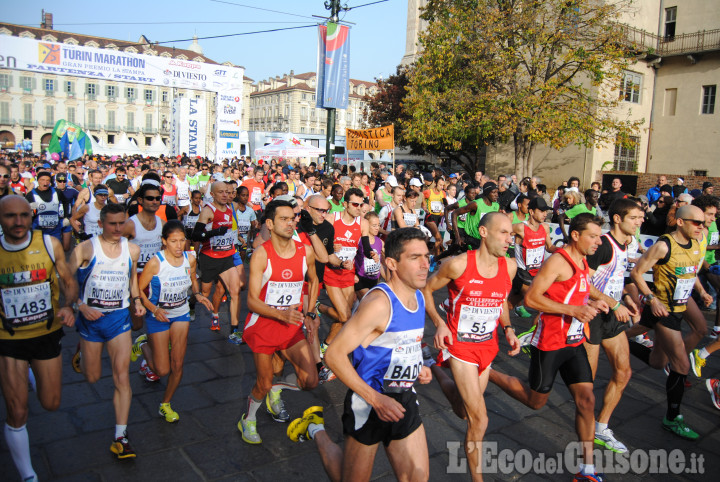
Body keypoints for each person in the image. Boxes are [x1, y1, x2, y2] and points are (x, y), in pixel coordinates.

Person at [286, 228, 432, 482]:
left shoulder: (418, 297)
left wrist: (416, 364)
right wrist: (376, 399)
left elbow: (402, 342)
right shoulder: (379, 303)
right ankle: (316, 428)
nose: (424, 265)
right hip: (368, 403)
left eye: (427, 257)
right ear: (392, 263)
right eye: (415, 258)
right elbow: (334, 355)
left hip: (403, 399)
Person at [489, 213, 611, 482]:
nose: (598, 241)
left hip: (574, 341)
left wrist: (597, 303)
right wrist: (574, 310)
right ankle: (487, 373)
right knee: (535, 402)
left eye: (599, 235)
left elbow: (580, 288)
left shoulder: (582, 260)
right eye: (593, 235)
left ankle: (587, 469)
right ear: (576, 235)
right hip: (551, 343)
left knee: (587, 401)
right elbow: (532, 298)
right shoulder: (558, 261)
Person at [422, 213, 520, 480]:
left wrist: (508, 328)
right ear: (484, 232)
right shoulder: (459, 265)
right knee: (480, 419)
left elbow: (501, 298)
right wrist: (439, 323)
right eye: (503, 233)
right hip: (460, 346)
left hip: (487, 346)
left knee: (463, 411)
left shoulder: (509, 266)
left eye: (510, 234)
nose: (509, 239)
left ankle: (434, 367)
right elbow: (427, 290)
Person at [0, 196, 78, 481]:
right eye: (10, 216)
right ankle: (28, 475)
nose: (18, 222)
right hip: (8, 339)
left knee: (51, 403)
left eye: (24, 215)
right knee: (17, 410)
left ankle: (31, 374)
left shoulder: (48, 244)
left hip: (46, 334)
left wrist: (69, 305)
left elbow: (68, 280)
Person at [238, 200, 319, 444]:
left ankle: (277, 387)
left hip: (291, 325)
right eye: (284, 219)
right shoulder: (262, 254)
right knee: (262, 383)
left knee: (310, 381)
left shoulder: (305, 250)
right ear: (270, 224)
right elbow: (252, 301)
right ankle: (248, 419)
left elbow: (314, 281)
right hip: (263, 326)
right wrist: (281, 314)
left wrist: (311, 312)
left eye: (292, 218)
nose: (290, 222)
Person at [69, 202, 146, 459]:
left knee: (121, 377)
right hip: (90, 319)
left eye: (121, 223)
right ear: (100, 223)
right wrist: (79, 306)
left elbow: (132, 280)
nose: (116, 228)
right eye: (111, 223)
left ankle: (120, 437)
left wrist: (136, 301)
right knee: (91, 377)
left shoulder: (132, 249)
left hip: (118, 320)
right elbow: (65, 282)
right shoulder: (85, 248)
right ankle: (82, 348)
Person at [629, 205, 711, 440]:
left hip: (682, 301)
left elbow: (690, 272)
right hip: (664, 309)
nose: (702, 227)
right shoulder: (663, 246)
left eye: (703, 223)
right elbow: (637, 272)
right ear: (681, 222)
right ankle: (672, 418)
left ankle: (619, 341)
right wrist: (652, 299)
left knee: (658, 360)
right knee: (681, 366)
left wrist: (702, 291)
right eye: (697, 223)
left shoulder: (697, 242)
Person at [137, 221, 212, 422]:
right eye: (173, 241)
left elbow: (193, 279)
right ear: (164, 242)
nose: (179, 246)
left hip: (180, 313)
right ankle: (143, 344)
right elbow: (138, 289)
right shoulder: (156, 262)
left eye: (182, 241)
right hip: (158, 317)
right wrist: (153, 309)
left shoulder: (190, 258)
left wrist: (198, 294)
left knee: (177, 364)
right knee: (162, 369)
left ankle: (165, 404)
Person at [584, 199, 642, 454]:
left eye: (641, 218)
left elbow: (623, 276)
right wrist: (612, 303)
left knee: (624, 372)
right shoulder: (602, 245)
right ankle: (583, 429)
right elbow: (584, 283)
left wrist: (628, 300)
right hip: (593, 315)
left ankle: (601, 427)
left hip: (613, 315)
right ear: (617, 219)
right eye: (634, 218)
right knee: (587, 380)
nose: (639, 222)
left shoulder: (630, 245)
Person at [317, 188, 369, 354]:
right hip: (331, 272)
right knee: (345, 315)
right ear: (345, 204)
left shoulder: (363, 223)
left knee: (344, 315)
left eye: (361, 204)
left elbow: (366, 247)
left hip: (348, 272)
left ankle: (326, 345)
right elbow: (318, 243)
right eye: (355, 204)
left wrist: (373, 253)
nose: (359, 208)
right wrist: (330, 245)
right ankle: (321, 308)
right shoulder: (332, 218)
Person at [191, 182, 244, 338]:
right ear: (212, 195)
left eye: (226, 192)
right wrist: (213, 233)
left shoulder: (230, 208)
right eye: (220, 192)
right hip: (210, 258)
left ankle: (234, 331)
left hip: (227, 257)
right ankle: (191, 303)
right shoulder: (208, 211)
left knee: (235, 291)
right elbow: (195, 235)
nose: (225, 195)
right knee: (204, 293)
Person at [509, 197, 559, 318]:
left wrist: (562, 249)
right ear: (531, 212)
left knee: (510, 304)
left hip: (537, 273)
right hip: (523, 274)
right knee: (541, 304)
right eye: (541, 211)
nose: (545, 214)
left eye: (546, 211)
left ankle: (503, 324)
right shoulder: (521, 227)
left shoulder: (545, 227)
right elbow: (500, 231)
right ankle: (535, 334)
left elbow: (549, 247)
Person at [25, 171, 73, 251]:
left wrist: (66, 216)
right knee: (41, 251)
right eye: (42, 180)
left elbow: (66, 202)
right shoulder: (32, 195)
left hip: (55, 229)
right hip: (39, 229)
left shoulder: (57, 192)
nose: (45, 182)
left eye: (48, 180)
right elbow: (31, 212)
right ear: (38, 181)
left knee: (55, 251)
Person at [451, 182, 500, 251]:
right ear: (486, 193)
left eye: (497, 192)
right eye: (493, 192)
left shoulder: (496, 206)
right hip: (472, 240)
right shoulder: (476, 204)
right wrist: (457, 237)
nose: (496, 195)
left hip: (486, 240)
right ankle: (436, 259)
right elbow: (454, 213)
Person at [354, 212, 384, 300]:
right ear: (367, 226)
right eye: (374, 225)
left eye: (378, 225)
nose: (377, 228)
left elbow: (381, 262)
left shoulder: (379, 241)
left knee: (361, 307)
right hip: (360, 279)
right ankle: (321, 307)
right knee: (370, 301)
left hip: (374, 280)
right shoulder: (359, 240)